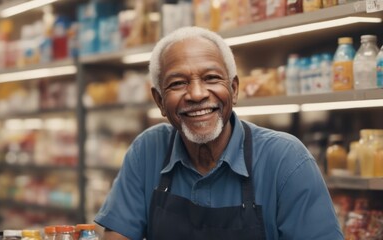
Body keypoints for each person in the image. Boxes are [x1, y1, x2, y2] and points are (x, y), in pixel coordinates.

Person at [94, 26, 344, 240]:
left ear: (234, 90)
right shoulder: (147, 151)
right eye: (178, 83)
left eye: (211, 78)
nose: (197, 94)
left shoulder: (286, 160)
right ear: (159, 101)